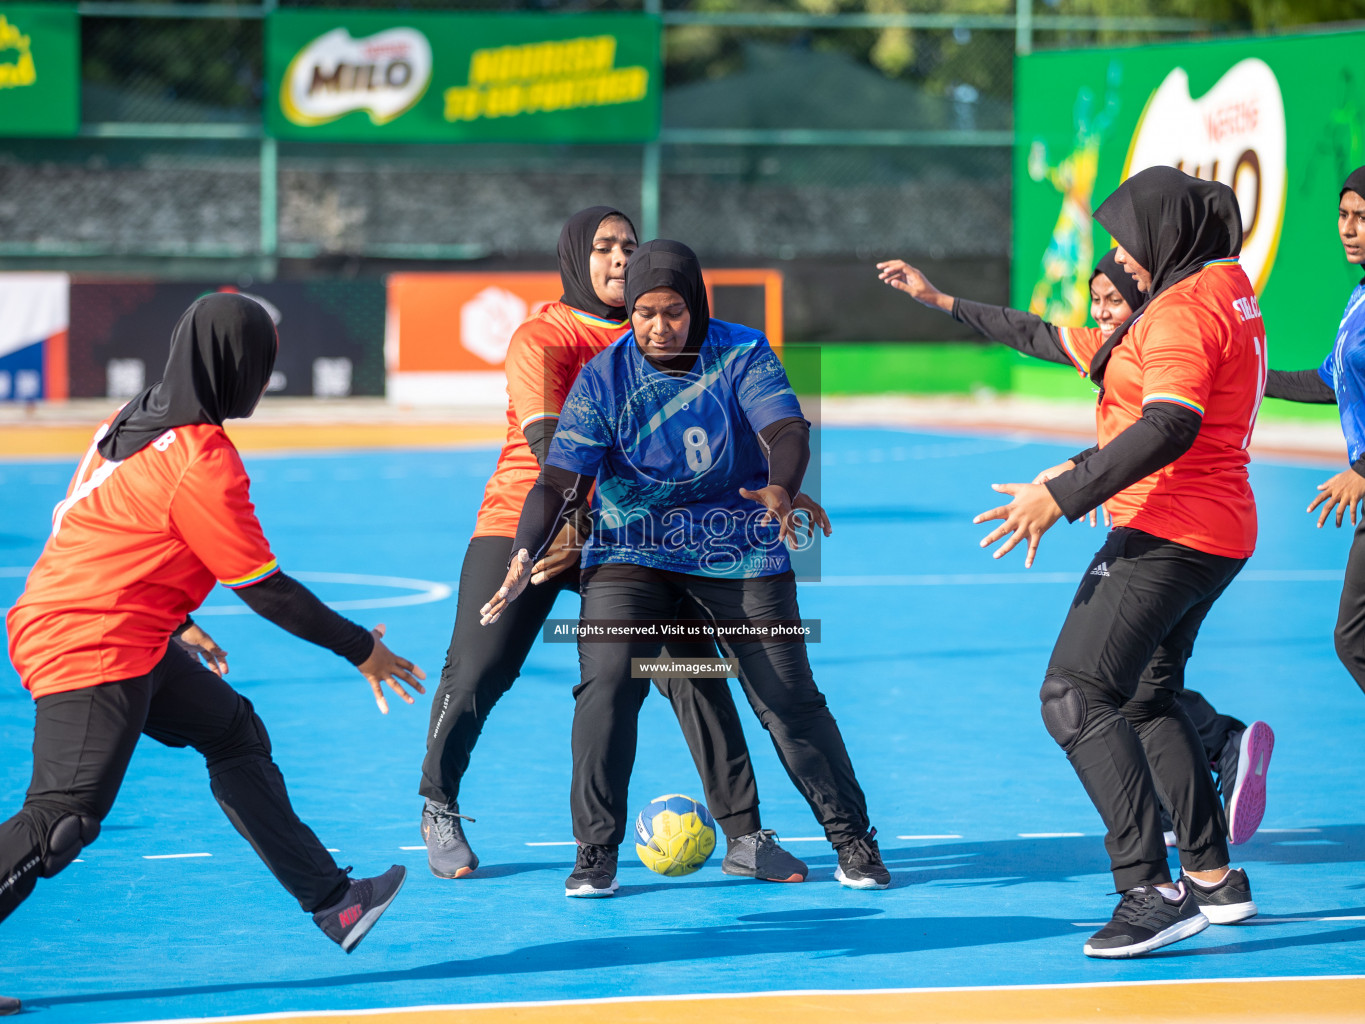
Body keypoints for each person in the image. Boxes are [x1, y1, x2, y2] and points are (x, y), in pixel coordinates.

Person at [889, 166, 1263, 957]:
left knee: (1073, 693)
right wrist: (941, 302)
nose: (1123, 254)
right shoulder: (1222, 290)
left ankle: (1148, 889)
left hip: (1169, 529)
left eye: (1132, 237)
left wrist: (1062, 495)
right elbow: (1042, 337)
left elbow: (1167, 425)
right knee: (1146, 696)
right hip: (1214, 528)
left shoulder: (1182, 313)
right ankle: (1211, 875)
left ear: (1169, 235)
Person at [0, 294, 425, 954]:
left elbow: (108, 529)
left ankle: (334, 903)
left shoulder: (134, 418)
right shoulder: (202, 457)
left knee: (232, 732)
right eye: (261, 363)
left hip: (118, 627)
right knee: (62, 819)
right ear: (234, 366)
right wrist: (361, 648)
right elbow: (269, 593)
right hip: (90, 639)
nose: (263, 378)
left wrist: (178, 620)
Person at [482, 239, 890, 896]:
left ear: (694, 305)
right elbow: (558, 478)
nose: (658, 326)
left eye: (672, 311)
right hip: (631, 554)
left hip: (740, 546)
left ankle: (852, 839)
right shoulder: (603, 377)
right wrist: (525, 549)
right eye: (644, 312)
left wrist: (781, 487)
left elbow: (786, 431)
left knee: (786, 699)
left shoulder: (740, 352)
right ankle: (595, 851)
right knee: (608, 683)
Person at [419, 207, 810, 887]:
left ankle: (745, 835)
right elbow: (550, 452)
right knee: (480, 670)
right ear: (576, 255)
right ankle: (438, 801)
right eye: (602, 248)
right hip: (532, 523)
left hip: (632, 536)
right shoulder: (543, 335)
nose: (619, 259)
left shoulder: (662, 334)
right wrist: (561, 528)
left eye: (630, 246)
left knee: (693, 673)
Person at [1261, 166, 1365, 697]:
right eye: (1343, 216)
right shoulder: (1358, 300)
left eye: (1362, 217)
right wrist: (1247, 378)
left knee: (1354, 639)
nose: (1348, 228)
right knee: (1354, 639)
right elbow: (1330, 379)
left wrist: (1362, 471)